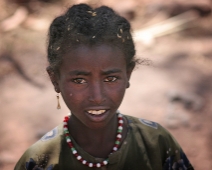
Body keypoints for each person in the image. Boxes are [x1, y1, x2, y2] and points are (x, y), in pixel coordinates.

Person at [14, 3, 194, 170]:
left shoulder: (156, 143)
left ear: (128, 74)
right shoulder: (39, 161)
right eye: (79, 80)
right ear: (55, 80)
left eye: (111, 79)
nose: (97, 96)